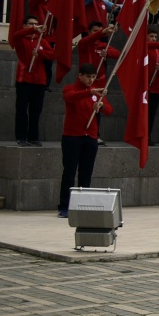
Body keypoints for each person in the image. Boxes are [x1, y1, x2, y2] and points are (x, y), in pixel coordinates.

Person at [58, 70, 113, 217]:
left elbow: (109, 110)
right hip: (72, 136)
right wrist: (90, 93)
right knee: (69, 172)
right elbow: (71, 98)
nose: (91, 79)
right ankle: (64, 206)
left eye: (93, 77)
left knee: (86, 173)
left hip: (90, 137)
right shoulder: (70, 88)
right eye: (88, 76)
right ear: (80, 76)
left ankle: (81, 205)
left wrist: (100, 106)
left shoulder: (96, 93)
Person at [11, 15, 50, 146]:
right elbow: (16, 35)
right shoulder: (21, 38)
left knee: (36, 110)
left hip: (39, 80)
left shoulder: (42, 41)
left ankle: (33, 137)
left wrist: (40, 53)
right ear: (25, 25)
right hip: (24, 78)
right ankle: (21, 137)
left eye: (36, 24)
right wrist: (33, 30)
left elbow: (53, 54)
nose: (34, 26)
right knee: (22, 109)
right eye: (31, 24)